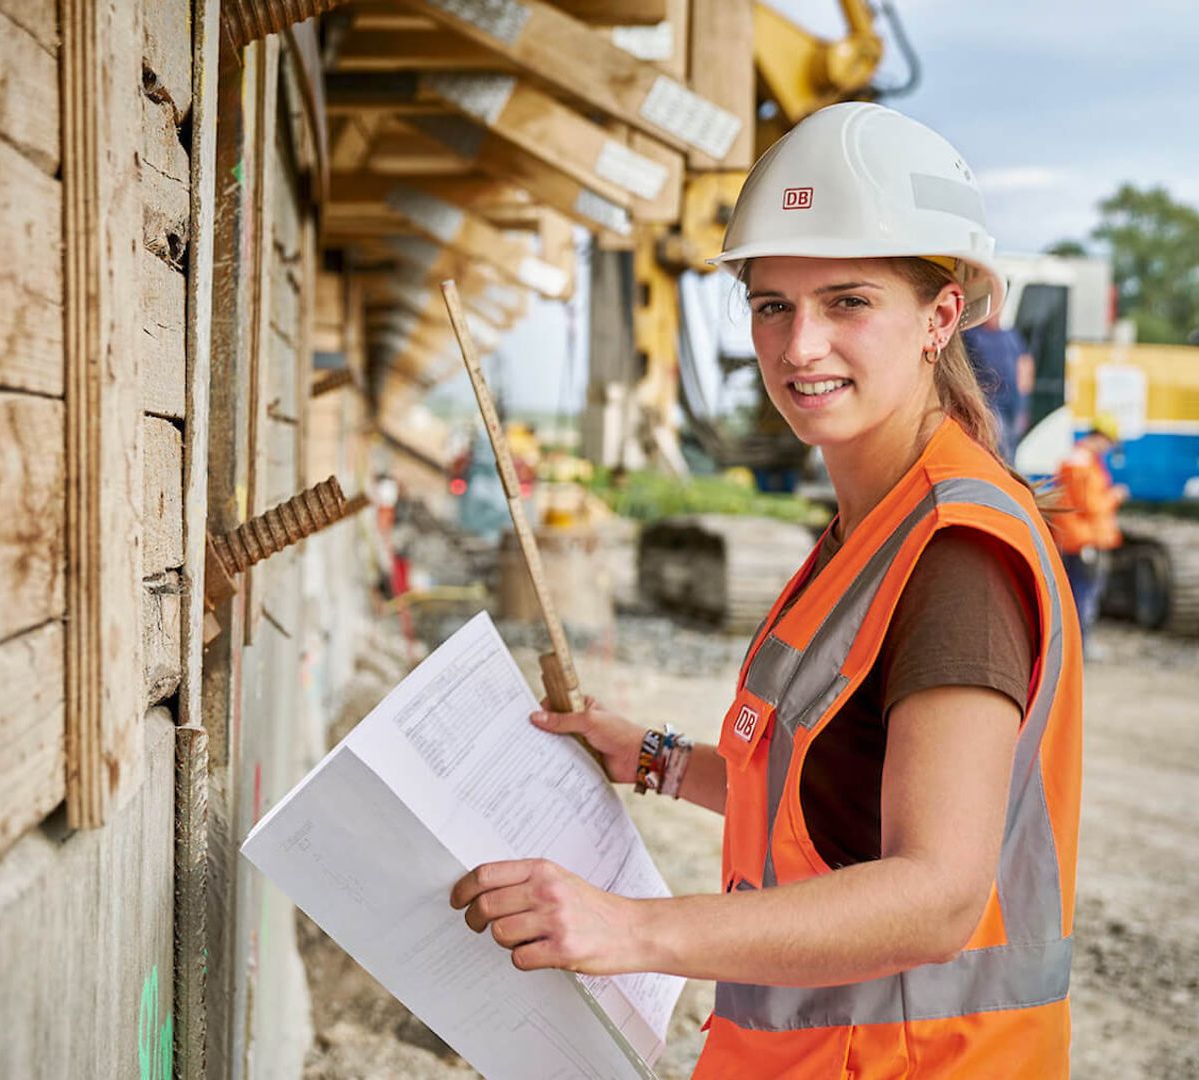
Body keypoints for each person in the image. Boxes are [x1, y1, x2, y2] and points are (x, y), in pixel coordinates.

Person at [449, 103, 1082, 1076]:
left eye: (848, 302)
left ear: (940, 316)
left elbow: (940, 894)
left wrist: (633, 931)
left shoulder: (956, 555)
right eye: (772, 305)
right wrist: (655, 758)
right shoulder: (871, 526)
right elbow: (821, 790)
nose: (799, 347)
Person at [1052, 415, 1128, 654]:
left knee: (1078, 591)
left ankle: (1075, 645)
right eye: (1109, 443)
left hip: (1079, 538)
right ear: (1100, 438)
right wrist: (1115, 496)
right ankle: (1081, 647)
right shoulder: (1082, 464)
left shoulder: (1081, 460)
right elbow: (1090, 506)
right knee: (1084, 594)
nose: (1108, 449)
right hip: (1085, 539)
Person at [961, 308, 1034, 458]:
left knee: (1011, 445)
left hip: (1013, 402)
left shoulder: (1012, 336)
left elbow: (1025, 365)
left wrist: (1023, 403)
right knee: (999, 445)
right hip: (990, 403)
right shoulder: (972, 335)